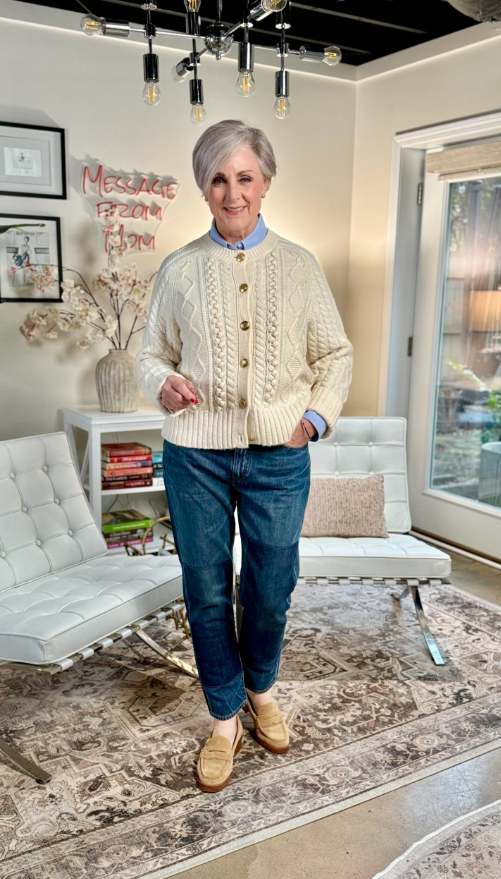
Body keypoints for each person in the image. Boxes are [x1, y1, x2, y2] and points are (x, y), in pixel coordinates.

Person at [136, 119, 353, 793]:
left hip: (277, 457)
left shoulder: (299, 265)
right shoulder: (179, 268)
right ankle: (224, 714)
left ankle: (261, 689)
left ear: (265, 183)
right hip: (195, 453)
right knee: (205, 590)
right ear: (204, 187)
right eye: (219, 178)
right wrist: (160, 383)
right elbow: (151, 355)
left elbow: (334, 355)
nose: (233, 192)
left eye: (245, 177)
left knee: (268, 590)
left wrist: (311, 420)